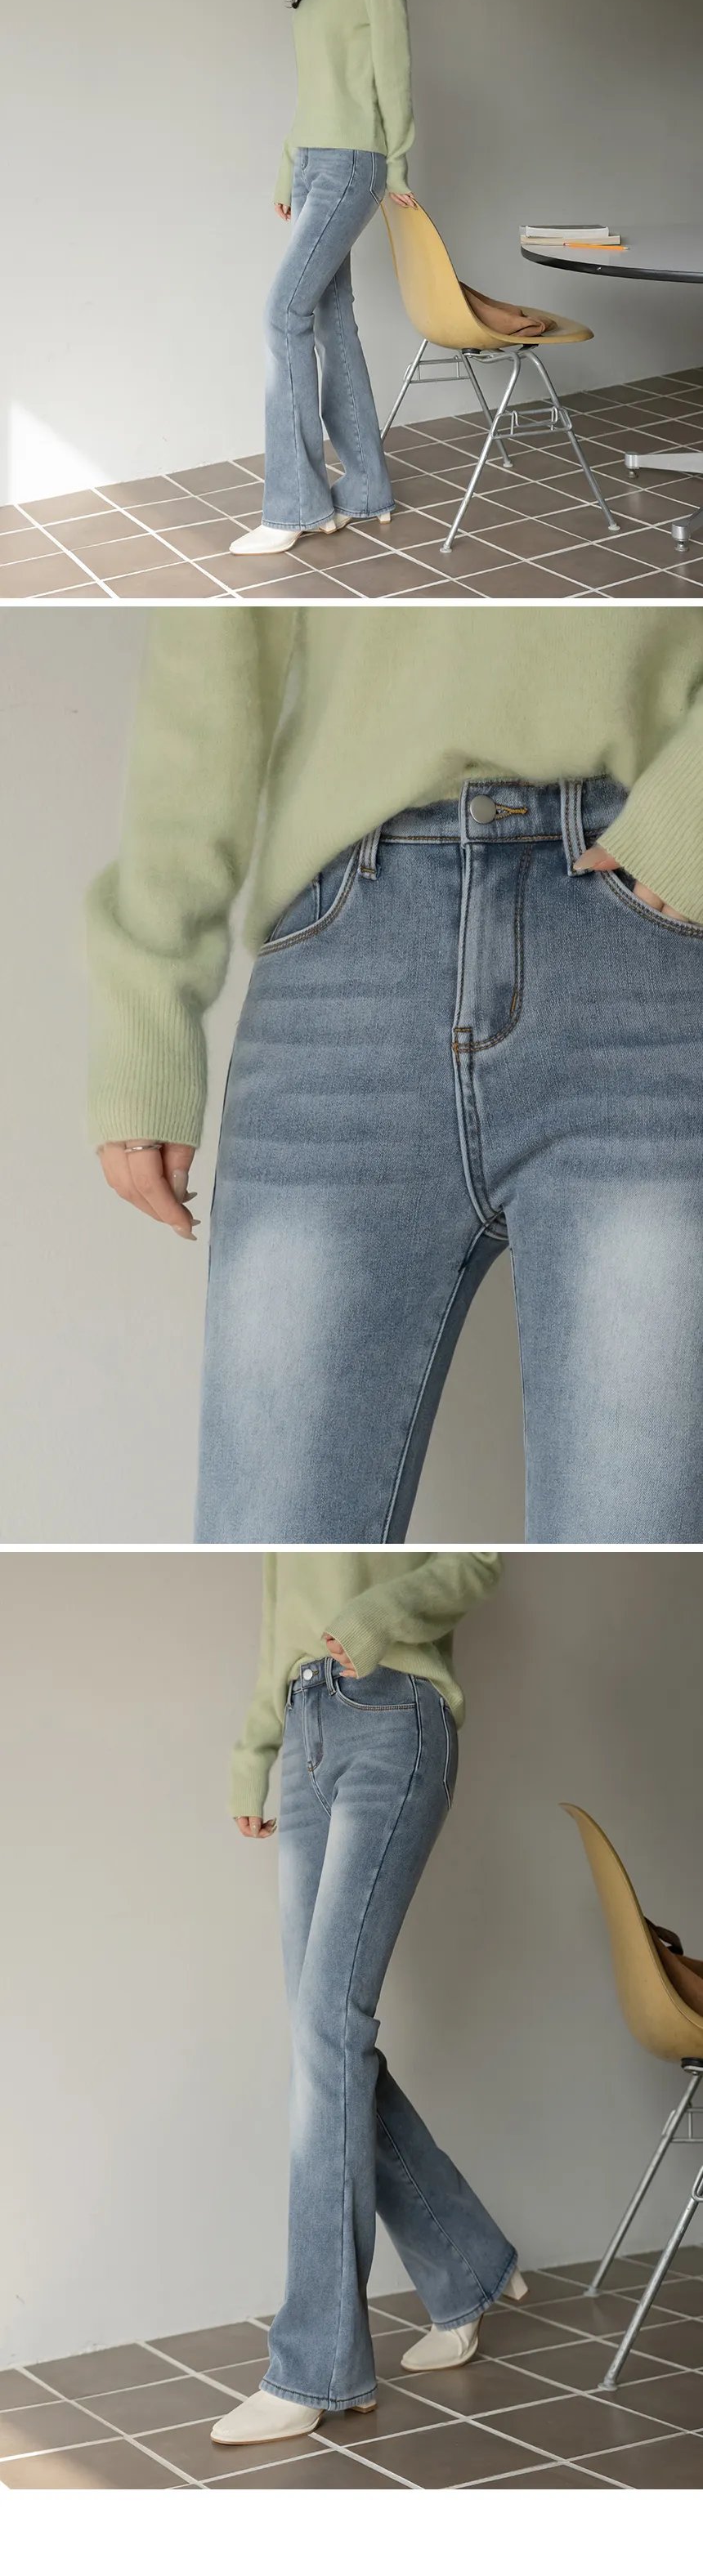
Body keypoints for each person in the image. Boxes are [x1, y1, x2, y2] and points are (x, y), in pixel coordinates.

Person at [87, 600, 703, 1544]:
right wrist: (148, 1000)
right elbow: (208, 648)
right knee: (267, 1531)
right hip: (349, 952)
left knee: (640, 1547)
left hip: (648, 945)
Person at [208, 1548, 525, 2449]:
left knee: (326, 2034)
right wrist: (254, 1748)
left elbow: (478, 1555)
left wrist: (382, 1613)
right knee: (325, 2044)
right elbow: (279, 1600)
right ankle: (466, 2262)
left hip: (395, 1713)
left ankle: (315, 2367)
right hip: (304, 1727)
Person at [230, 0, 416, 561]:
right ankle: (365, 488)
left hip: (353, 161)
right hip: (314, 160)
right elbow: (317, 88)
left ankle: (296, 505)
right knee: (330, 321)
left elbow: (392, 64)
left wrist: (396, 163)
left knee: (283, 313)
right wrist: (288, 166)